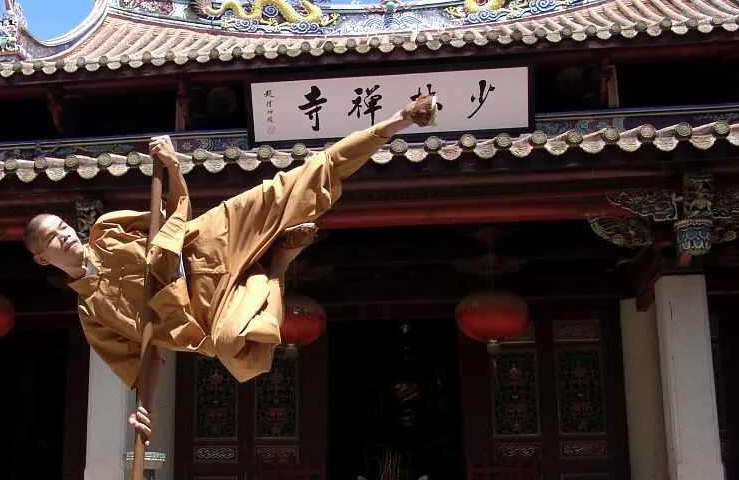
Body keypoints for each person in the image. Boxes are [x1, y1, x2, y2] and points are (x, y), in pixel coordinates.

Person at [24, 94, 437, 441]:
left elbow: (172, 212)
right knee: (234, 347)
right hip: (204, 310)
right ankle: (277, 265)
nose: (64, 236)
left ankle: (397, 120)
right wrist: (143, 408)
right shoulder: (92, 316)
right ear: (43, 258)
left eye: (62, 227)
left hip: (208, 243)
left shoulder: (106, 229)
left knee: (300, 181)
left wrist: (171, 165)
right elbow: (147, 358)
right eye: (52, 239)